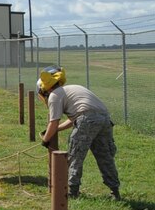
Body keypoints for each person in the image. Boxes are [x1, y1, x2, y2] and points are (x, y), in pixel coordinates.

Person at [37, 66, 120, 200]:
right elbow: (73, 118)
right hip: (104, 119)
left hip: (87, 120)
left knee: (75, 156)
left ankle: (72, 191)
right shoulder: (72, 89)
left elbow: (53, 122)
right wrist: (56, 131)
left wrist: (45, 140)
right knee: (105, 156)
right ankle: (115, 191)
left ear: (44, 89)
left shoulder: (54, 95)